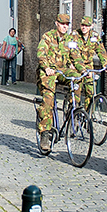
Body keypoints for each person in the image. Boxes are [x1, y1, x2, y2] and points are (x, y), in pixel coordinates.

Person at [36, 14, 73, 153]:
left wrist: (81, 69)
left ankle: (73, 108)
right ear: (56, 23)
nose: (65, 26)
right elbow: (41, 54)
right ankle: (45, 134)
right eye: (62, 24)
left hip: (63, 71)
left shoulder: (70, 40)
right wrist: (46, 68)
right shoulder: (48, 37)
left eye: (67, 24)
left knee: (78, 79)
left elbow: (76, 56)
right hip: (48, 73)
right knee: (48, 101)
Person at [69, 16, 107, 109]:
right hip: (76, 66)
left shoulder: (94, 36)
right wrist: (69, 64)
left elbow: (101, 51)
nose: (84, 28)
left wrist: (105, 64)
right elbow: (68, 51)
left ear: (91, 26)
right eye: (83, 25)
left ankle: (88, 117)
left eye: (87, 26)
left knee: (91, 92)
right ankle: (73, 111)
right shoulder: (74, 35)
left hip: (88, 67)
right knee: (76, 91)